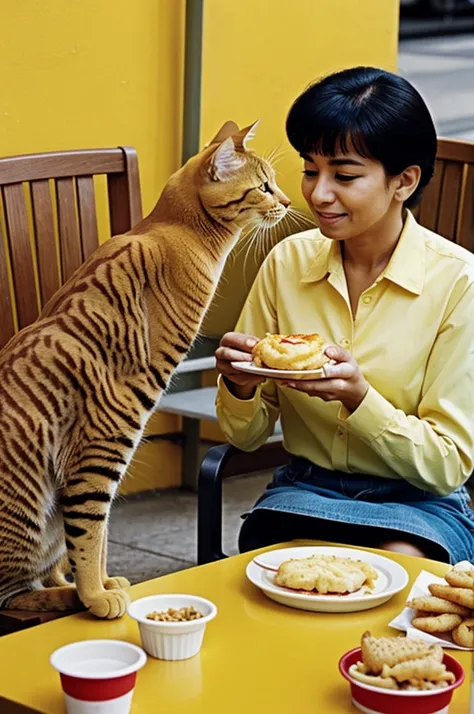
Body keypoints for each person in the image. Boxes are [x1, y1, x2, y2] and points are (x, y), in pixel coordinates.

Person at [214, 66, 474, 564]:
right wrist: (241, 386)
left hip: (420, 501)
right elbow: (244, 437)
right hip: (306, 491)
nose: (317, 194)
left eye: (345, 175)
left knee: (396, 566)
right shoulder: (287, 262)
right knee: (285, 574)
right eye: (311, 169)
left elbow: (446, 465)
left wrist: (360, 399)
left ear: (404, 181)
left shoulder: (458, 283)